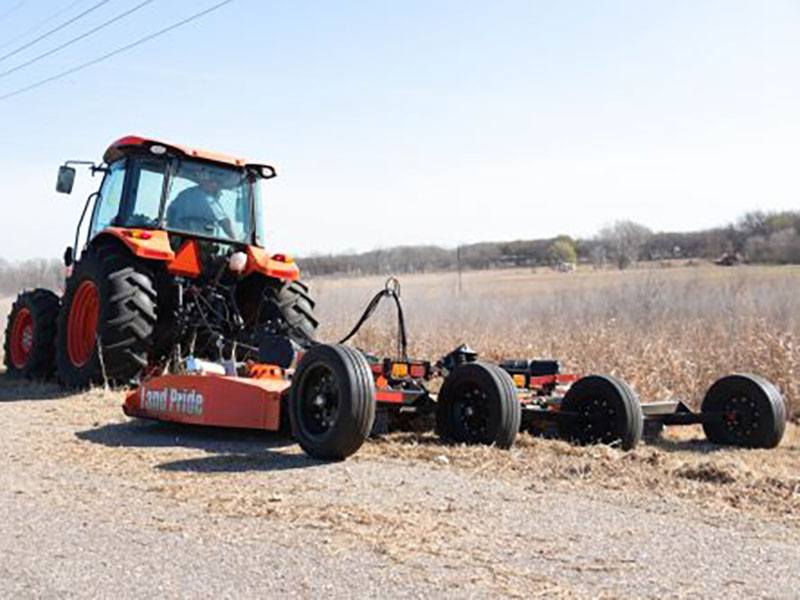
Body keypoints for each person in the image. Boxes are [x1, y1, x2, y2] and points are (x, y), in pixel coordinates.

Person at [166, 170, 236, 238]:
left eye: (218, 183)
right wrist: (234, 239)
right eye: (213, 182)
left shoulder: (185, 193)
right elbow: (224, 221)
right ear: (205, 181)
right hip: (196, 238)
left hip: (177, 237)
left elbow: (170, 212)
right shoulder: (207, 198)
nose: (215, 185)